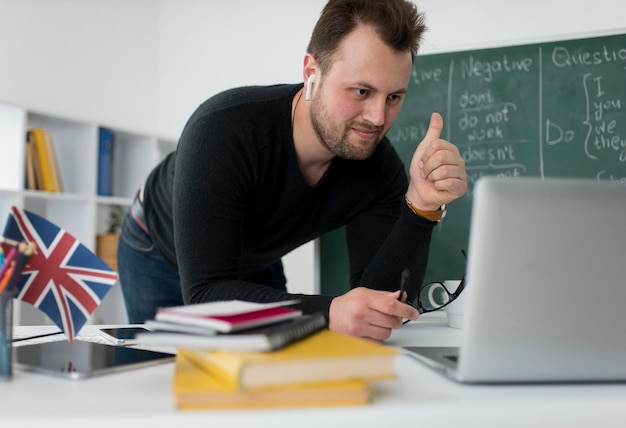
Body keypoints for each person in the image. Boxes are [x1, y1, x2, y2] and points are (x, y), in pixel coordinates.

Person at [117, 0, 467, 342]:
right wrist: (330, 312)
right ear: (312, 72)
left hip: (254, 263)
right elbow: (206, 292)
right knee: (162, 380)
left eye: (393, 97)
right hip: (159, 251)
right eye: (361, 91)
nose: (377, 118)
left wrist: (421, 207)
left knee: (269, 384)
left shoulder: (379, 168)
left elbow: (379, 306)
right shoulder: (224, 129)